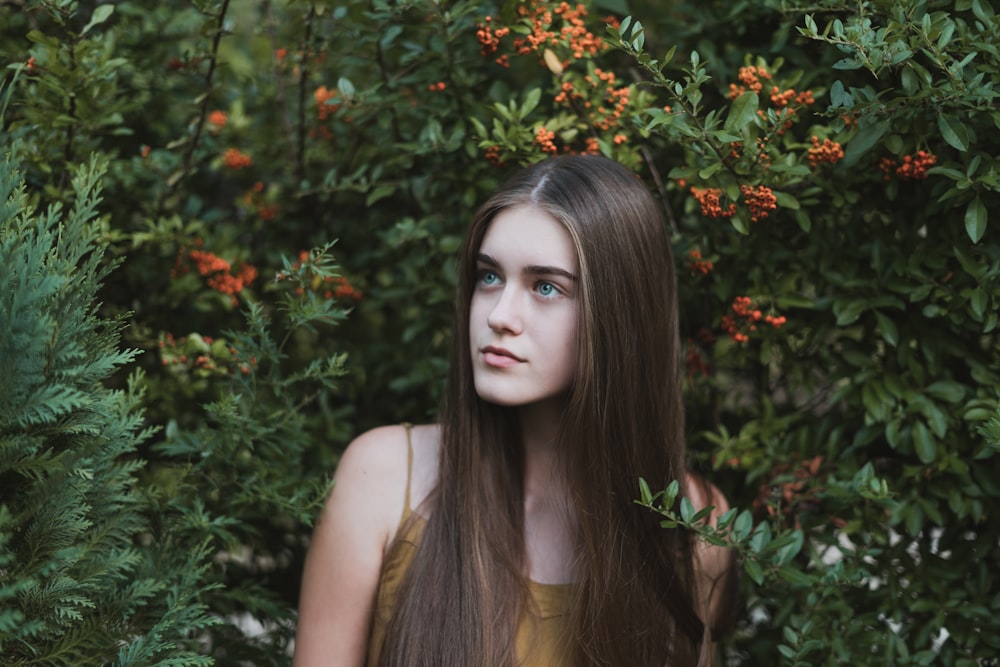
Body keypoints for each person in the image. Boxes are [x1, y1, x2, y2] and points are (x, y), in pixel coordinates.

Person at [293, 154, 738, 667]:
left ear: (619, 316)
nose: (499, 316)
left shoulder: (696, 525)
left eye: (545, 287)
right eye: (488, 277)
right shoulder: (383, 477)